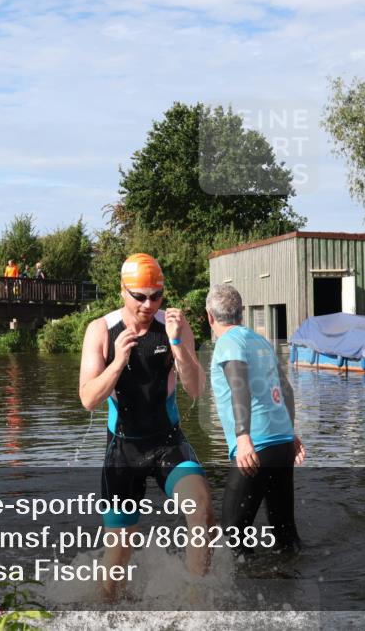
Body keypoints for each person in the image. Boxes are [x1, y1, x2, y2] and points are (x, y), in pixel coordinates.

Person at [78, 253, 213, 598]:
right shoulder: (101, 331)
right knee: (116, 563)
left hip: (168, 442)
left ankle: (196, 605)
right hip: (123, 449)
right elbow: (88, 399)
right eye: (140, 296)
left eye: (156, 296)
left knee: (202, 511)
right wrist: (118, 362)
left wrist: (178, 343)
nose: (149, 304)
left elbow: (196, 389)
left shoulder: (174, 325)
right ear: (122, 291)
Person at [206, 283, 305, 554]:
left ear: (210, 317)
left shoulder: (227, 342)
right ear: (241, 314)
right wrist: (290, 432)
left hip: (255, 448)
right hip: (282, 445)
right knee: (285, 535)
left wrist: (242, 436)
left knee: (231, 540)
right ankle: (294, 585)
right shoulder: (259, 341)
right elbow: (286, 390)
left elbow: (239, 386)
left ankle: (243, 594)